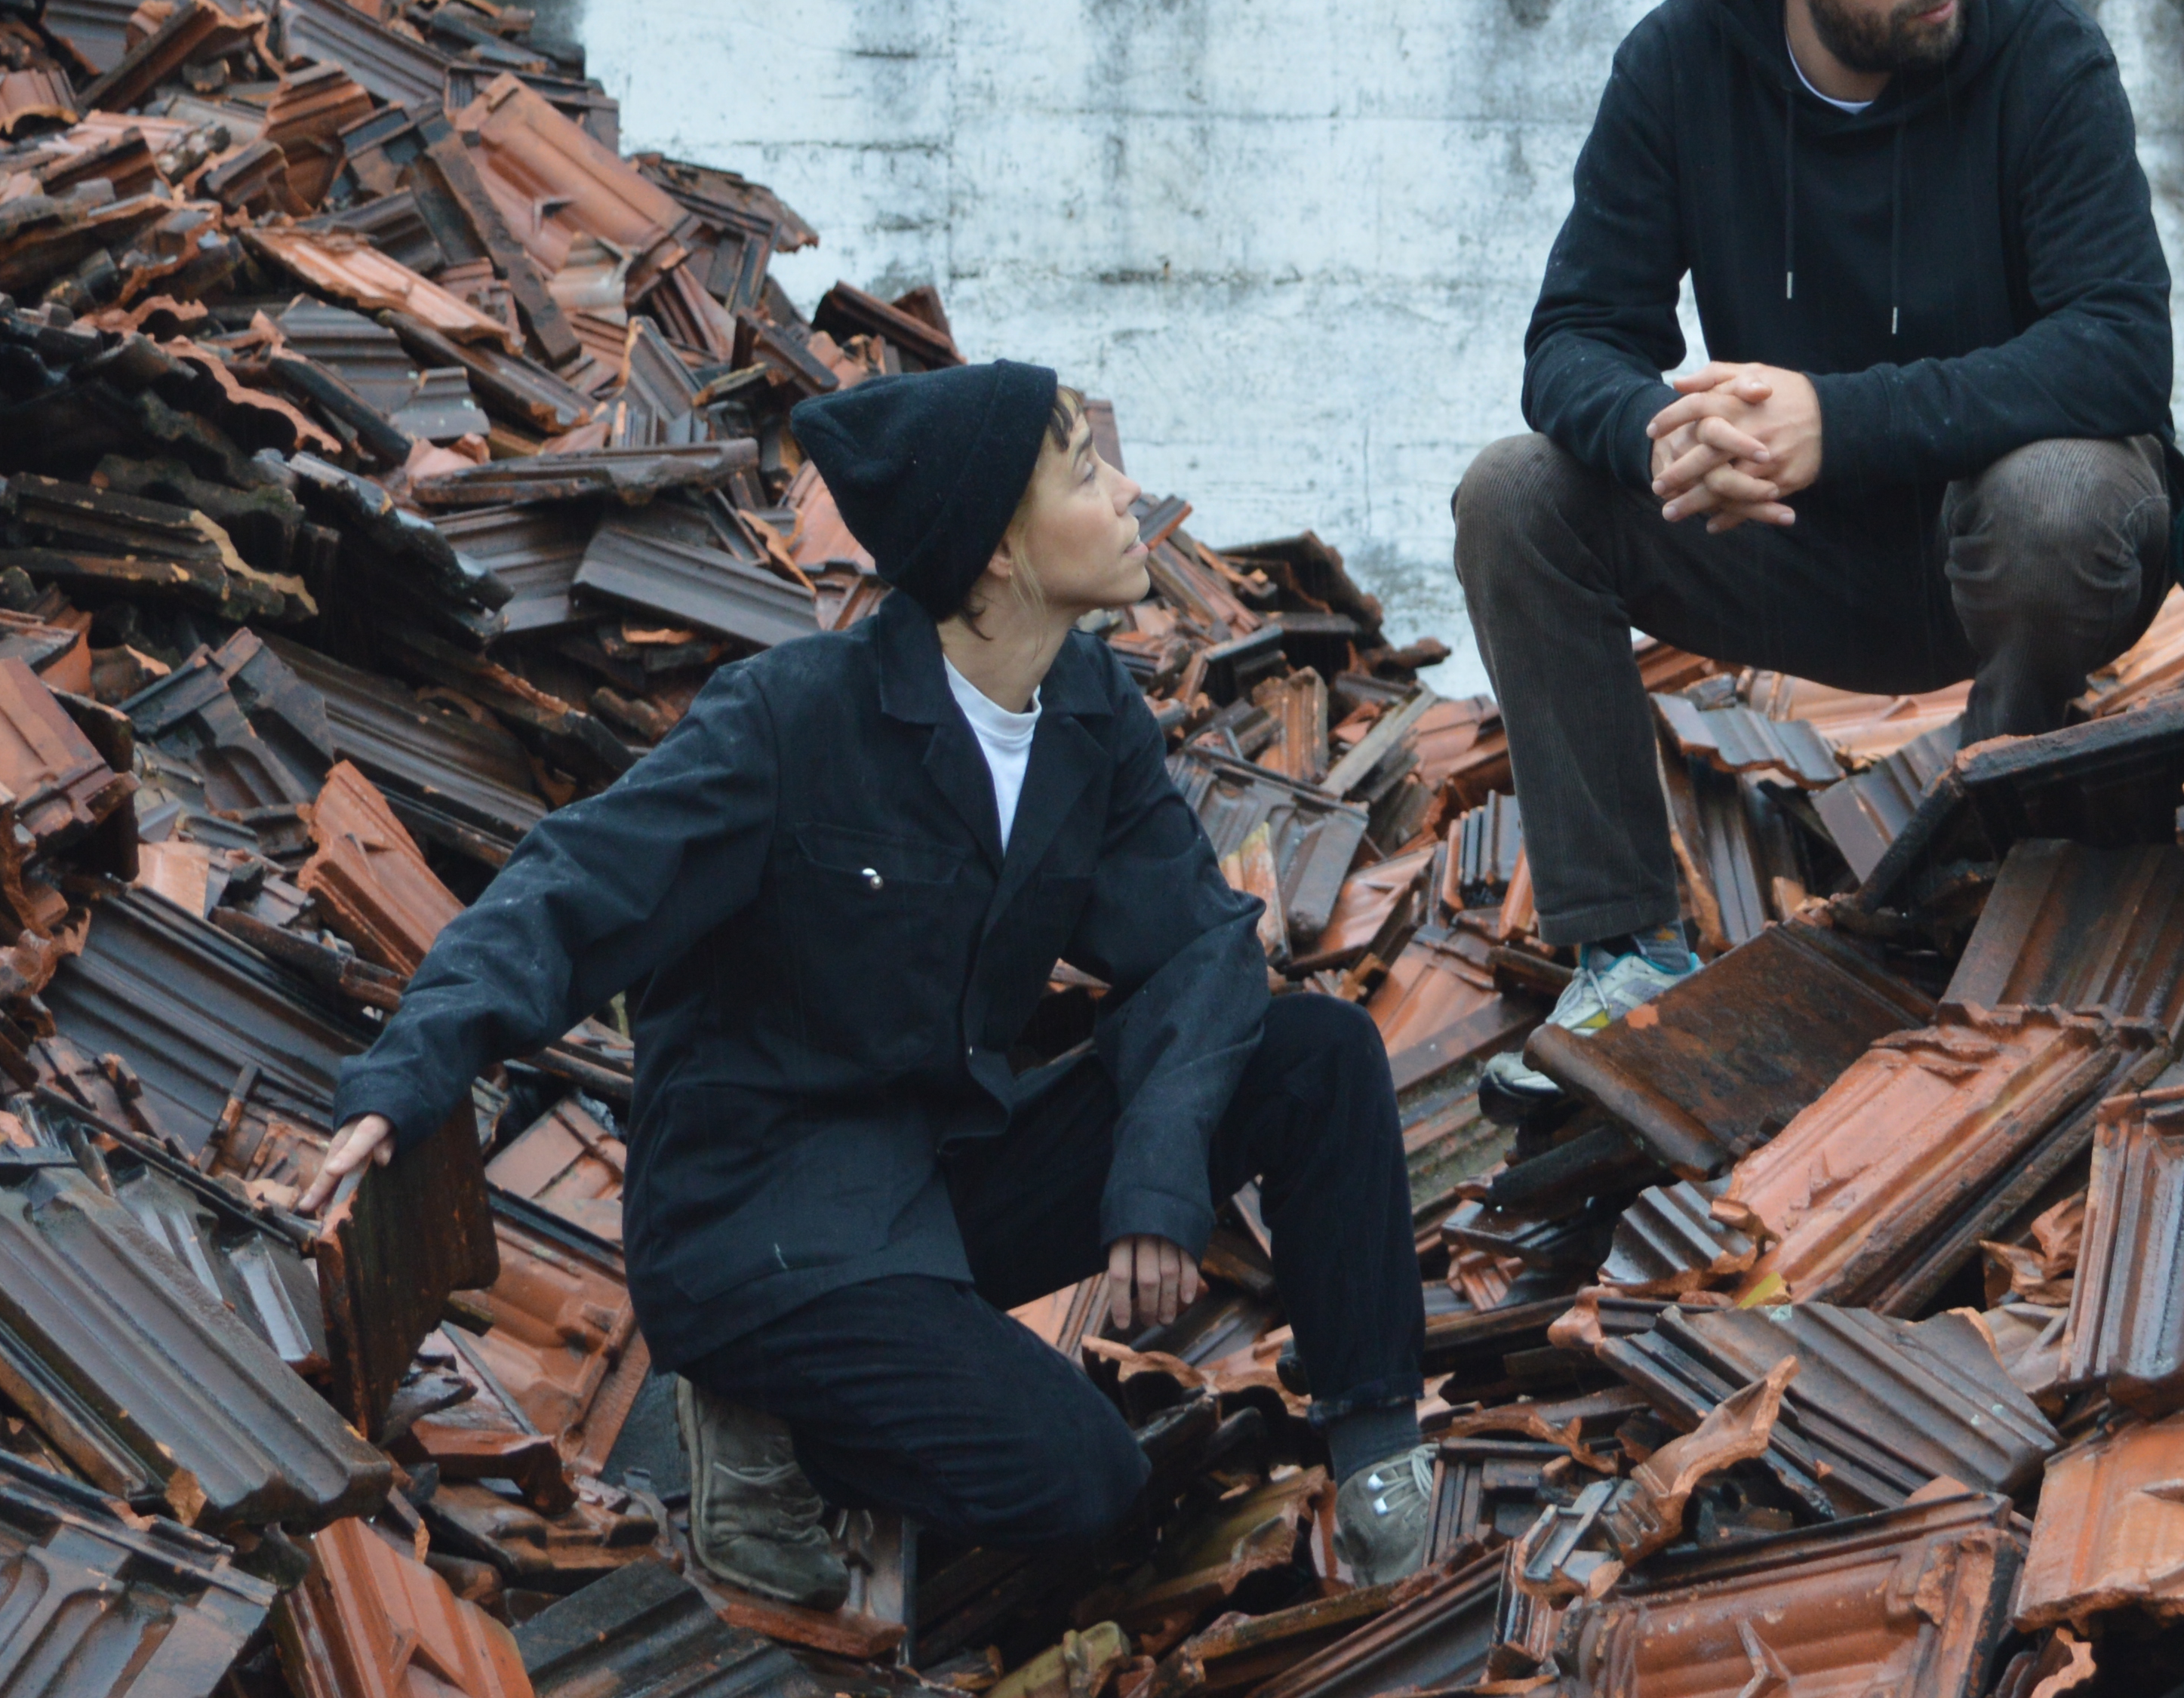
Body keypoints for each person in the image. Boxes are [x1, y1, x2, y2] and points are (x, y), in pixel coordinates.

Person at [305, 361, 1433, 1603]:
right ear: (997, 554)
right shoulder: (792, 720)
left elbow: (1200, 944)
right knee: (1084, 1484)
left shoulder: (1084, 713)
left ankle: (1381, 1453)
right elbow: (571, 892)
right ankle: (765, 1430)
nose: (1129, 496)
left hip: (938, 1169)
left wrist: (1157, 1173)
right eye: (1084, 472)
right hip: (766, 1216)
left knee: (1313, 1056)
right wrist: (409, 1073)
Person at [1455, 0, 2178, 1081]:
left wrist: (1834, 419)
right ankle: (1624, 956)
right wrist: (1674, 436)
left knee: (2058, 494)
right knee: (1514, 495)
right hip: (1798, 542)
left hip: (2015, 544)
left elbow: (2123, 354)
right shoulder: (1677, 70)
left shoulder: (2047, 58)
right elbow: (1575, 340)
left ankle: (2009, 902)